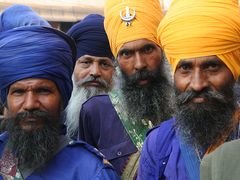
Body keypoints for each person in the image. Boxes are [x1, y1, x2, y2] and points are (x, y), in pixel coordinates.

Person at [0, 5, 119, 179]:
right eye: (18, 92)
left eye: (43, 91)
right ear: (6, 99)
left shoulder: (91, 171)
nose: (30, 104)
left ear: (62, 97)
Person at [138, 0, 240, 179]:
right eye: (185, 68)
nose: (197, 84)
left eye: (212, 67)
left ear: (234, 71)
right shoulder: (158, 145)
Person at [78, 0, 174, 178]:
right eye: (126, 53)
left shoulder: (186, 103)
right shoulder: (95, 112)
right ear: (116, 59)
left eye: (148, 49)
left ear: (162, 51)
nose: (139, 64)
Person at [65, 14, 115, 139]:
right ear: (72, 66)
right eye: (86, 62)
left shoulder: (129, 122)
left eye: (104, 64)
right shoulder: (54, 117)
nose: (95, 72)